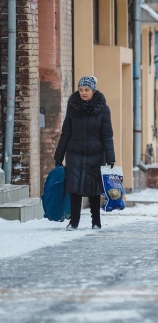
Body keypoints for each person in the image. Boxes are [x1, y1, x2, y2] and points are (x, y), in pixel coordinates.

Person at [54, 76, 115, 231]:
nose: (83, 93)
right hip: (74, 153)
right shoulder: (73, 107)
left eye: (87, 90)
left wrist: (110, 157)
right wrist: (59, 156)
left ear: (93, 90)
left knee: (93, 189)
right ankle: (74, 222)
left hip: (95, 154)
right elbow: (66, 133)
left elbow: (107, 135)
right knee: (74, 188)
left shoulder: (103, 109)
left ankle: (96, 221)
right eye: (81, 90)